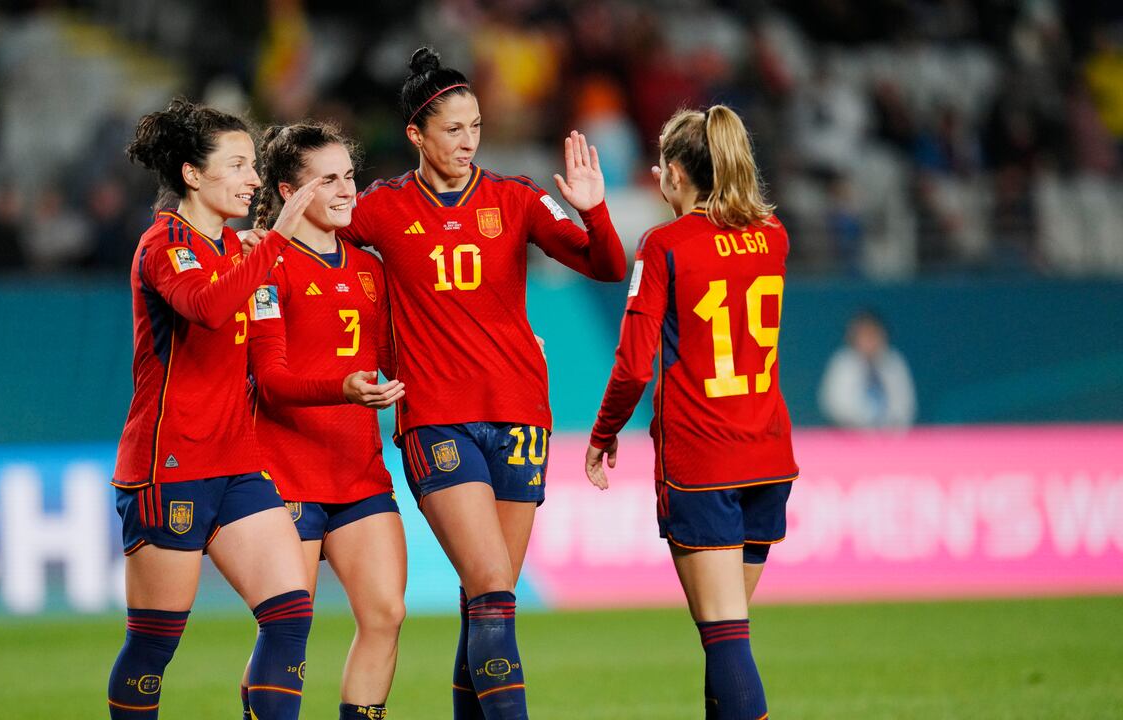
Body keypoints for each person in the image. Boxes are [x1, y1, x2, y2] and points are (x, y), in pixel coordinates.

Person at [340, 46, 627, 720]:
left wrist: (595, 211)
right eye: (453, 129)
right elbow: (312, 255)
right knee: (494, 587)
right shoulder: (381, 210)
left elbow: (608, 266)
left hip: (521, 415)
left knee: (486, 601)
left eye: (475, 126)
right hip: (437, 417)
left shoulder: (516, 198)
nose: (468, 141)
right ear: (417, 134)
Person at [108, 97, 324, 720]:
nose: (255, 179)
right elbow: (205, 306)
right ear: (192, 174)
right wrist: (274, 243)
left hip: (236, 464)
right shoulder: (164, 244)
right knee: (153, 646)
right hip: (168, 465)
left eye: (254, 164)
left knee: (290, 616)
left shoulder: (239, 247)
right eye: (237, 165)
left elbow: (268, 354)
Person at [584, 105, 798, 720]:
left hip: (703, 462)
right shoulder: (775, 236)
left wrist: (603, 434)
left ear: (676, 173)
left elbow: (631, 365)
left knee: (725, 637)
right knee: (728, 640)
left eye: (660, 166)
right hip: (768, 458)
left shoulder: (665, 245)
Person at [244, 121, 408, 720]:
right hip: (286, 474)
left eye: (350, 177)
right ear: (290, 192)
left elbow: (397, 358)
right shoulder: (266, 264)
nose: (346, 191)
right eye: (328, 179)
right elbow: (272, 381)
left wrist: (511, 348)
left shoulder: (370, 268)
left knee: (386, 614)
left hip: (359, 472)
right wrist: (341, 388)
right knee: (289, 629)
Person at [818, 309, 916, 429]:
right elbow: (834, 404)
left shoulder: (894, 361)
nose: (870, 340)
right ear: (853, 337)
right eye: (864, 335)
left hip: (890, 437)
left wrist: (888, 427)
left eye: (874, 334)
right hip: (847, 436)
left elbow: (905, 405)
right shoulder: (843, 362)